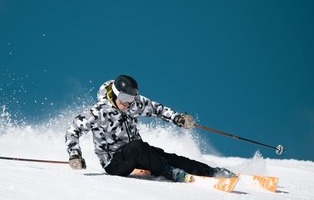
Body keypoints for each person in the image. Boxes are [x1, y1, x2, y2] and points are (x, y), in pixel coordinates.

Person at [65, 75, 236, 182]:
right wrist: (75, 154)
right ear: (115, 94)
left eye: (131, 98)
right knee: (138, 147)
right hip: (114, 163)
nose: (127, 102)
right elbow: (73, 130)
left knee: (164, 155)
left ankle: (211, 171)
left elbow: (157, 109)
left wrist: (178, 118)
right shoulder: (98, 111)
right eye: (124, 97)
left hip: (138, 154)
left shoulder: (134, 104)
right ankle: (170, 173)